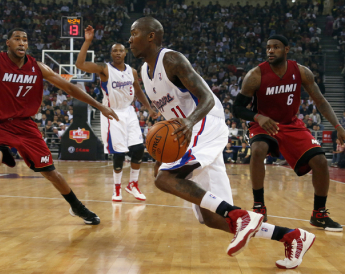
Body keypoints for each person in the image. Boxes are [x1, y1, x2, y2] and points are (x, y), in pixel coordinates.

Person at [130, 17, 315, 269]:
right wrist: (164, 154)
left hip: (204, 120)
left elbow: (206, 97)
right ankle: (291, 236)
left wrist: (189, 122)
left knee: (164, 179)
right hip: (188, 131)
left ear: (151, 36)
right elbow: (168, 119)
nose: (129, 39)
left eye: (134, 33)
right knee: (213, 216)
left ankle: (240, 217)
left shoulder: (171, 59)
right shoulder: (143, 72)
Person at [0, 26, 119, 232]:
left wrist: (100, 106)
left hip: (25, 125)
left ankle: (77, 207)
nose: (22, 42)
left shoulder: (38, 67)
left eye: (25, 39)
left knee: (50, 173)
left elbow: (68, 87)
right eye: (17, 39)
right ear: (8, 43)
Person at [233, 34, 343, 232]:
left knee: (320, 160)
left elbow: (320, 101)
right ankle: (259, 208)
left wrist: (338, 126)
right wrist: (258, 117)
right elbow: (237, 108)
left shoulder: (301, 72)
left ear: (286, 49)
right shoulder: (255, 75)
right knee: (258, 150)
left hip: (291, 124)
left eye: (275, 47)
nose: (270, 51)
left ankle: (319, 214)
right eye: (268, 47)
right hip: (263, 123)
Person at [76, 25, 157, 202]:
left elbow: (138, 91)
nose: (118, 53)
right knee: (119, 154)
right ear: (112, 54)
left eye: (121, 50)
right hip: (112, 114)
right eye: (115, 51)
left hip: (129, 112)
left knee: (138, 150)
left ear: (125, 53)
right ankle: (117, 189)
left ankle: (133, 184)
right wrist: (87, 41)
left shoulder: (132, 71)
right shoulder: (104, 69)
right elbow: (79, 64)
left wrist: (149, 108)